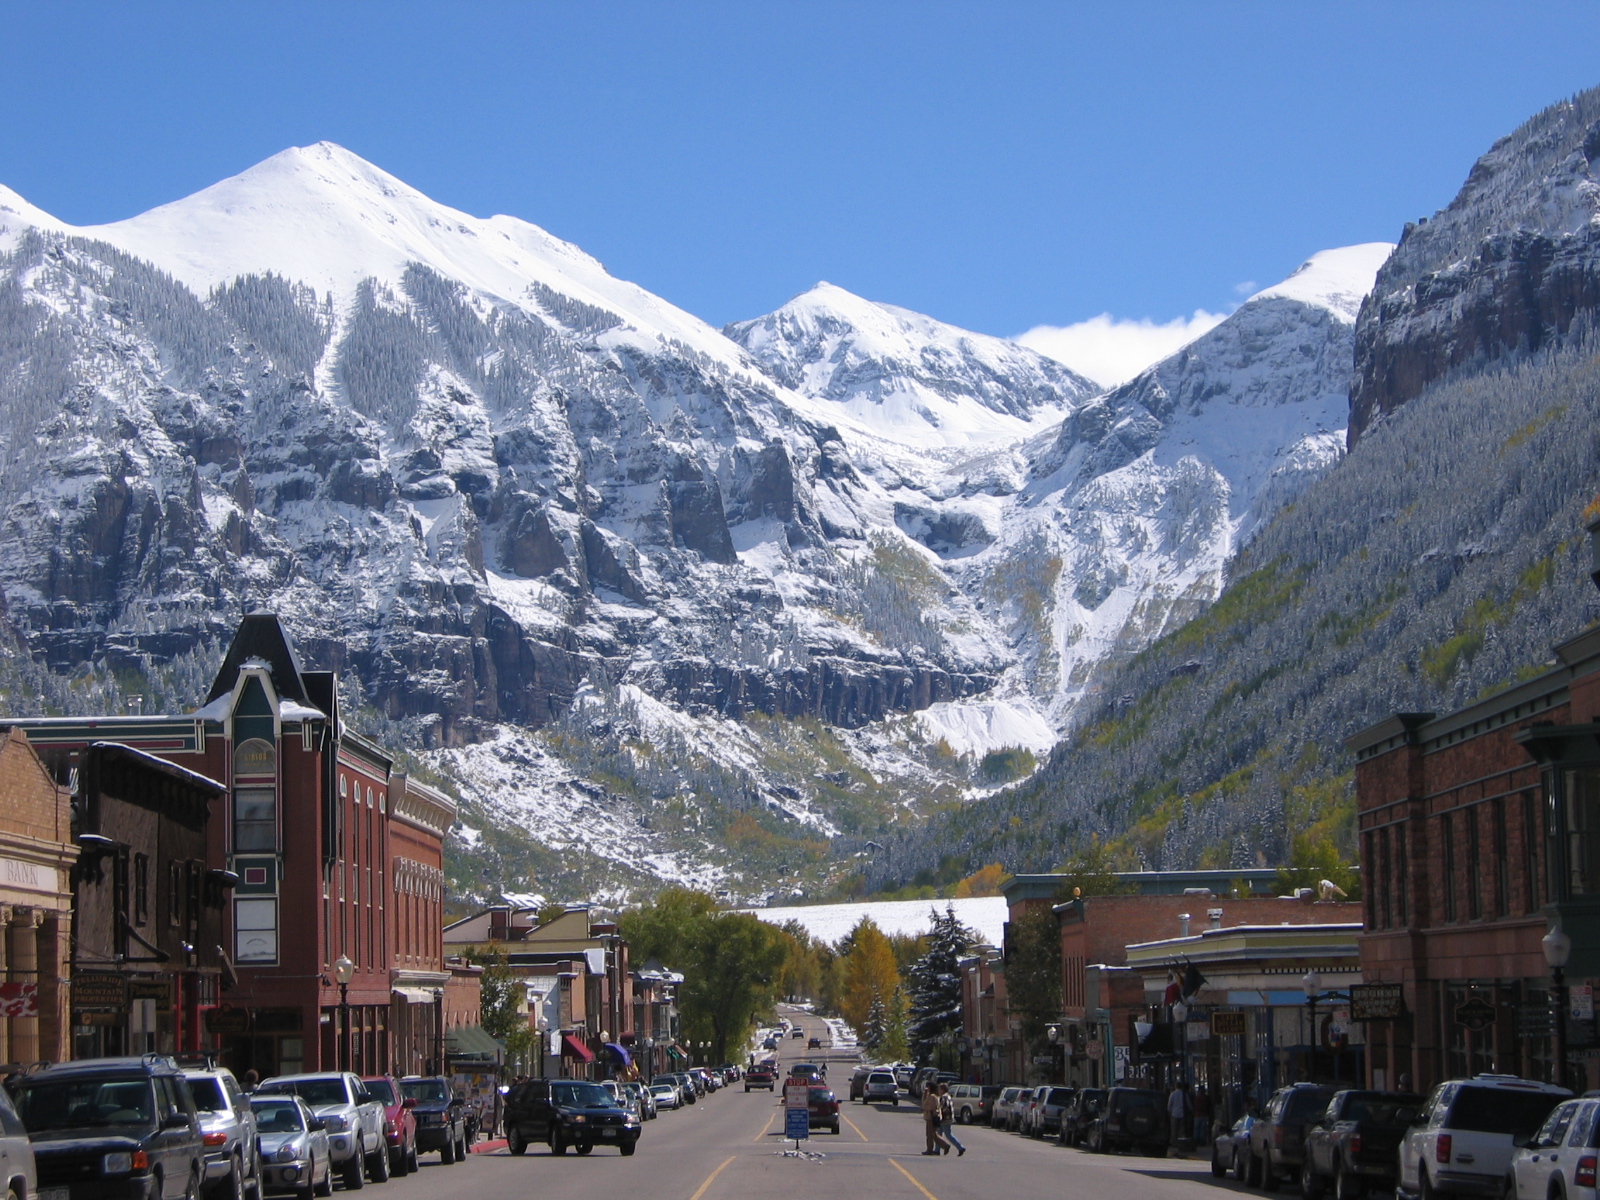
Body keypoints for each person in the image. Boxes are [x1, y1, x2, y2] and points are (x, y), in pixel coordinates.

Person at [936, 1083, 966, 1156]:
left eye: (939, 1089)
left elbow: (943, 1107)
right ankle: (937, 1150)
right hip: (948, 1118)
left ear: (942, 1090)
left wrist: (938, 1112)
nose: (938, 1091)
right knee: (939, 1134)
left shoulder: (943, 1097)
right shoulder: (948, 1096)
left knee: (948, 1135)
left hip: (945, 1119)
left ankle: (960, 1147)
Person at [921, 1083, 949, 1155]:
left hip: (931, 1118)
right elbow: (924, 1104)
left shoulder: (932, 1097)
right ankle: (945, 1145)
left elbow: (927, 1106)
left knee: (930, 1135)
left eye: (928, 1087)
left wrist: (925, 1096)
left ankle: (930, 1149)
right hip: (931, 1117)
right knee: (933, 1134)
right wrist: (925, 1094)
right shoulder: (931, 1096)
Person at [1167, 1080, 1192, 1149]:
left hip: (1174, 1113)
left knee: (1174, 1129)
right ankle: (1181, 1142)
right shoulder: (1184, 1094)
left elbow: (1169, 1104)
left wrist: (1169, 1112)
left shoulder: (1172, 1094)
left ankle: (1174, 1142)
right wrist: (1191, 1110)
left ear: (1175, 1086)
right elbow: (1188, 1103)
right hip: (1182, 1113)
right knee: (1182, 1129)